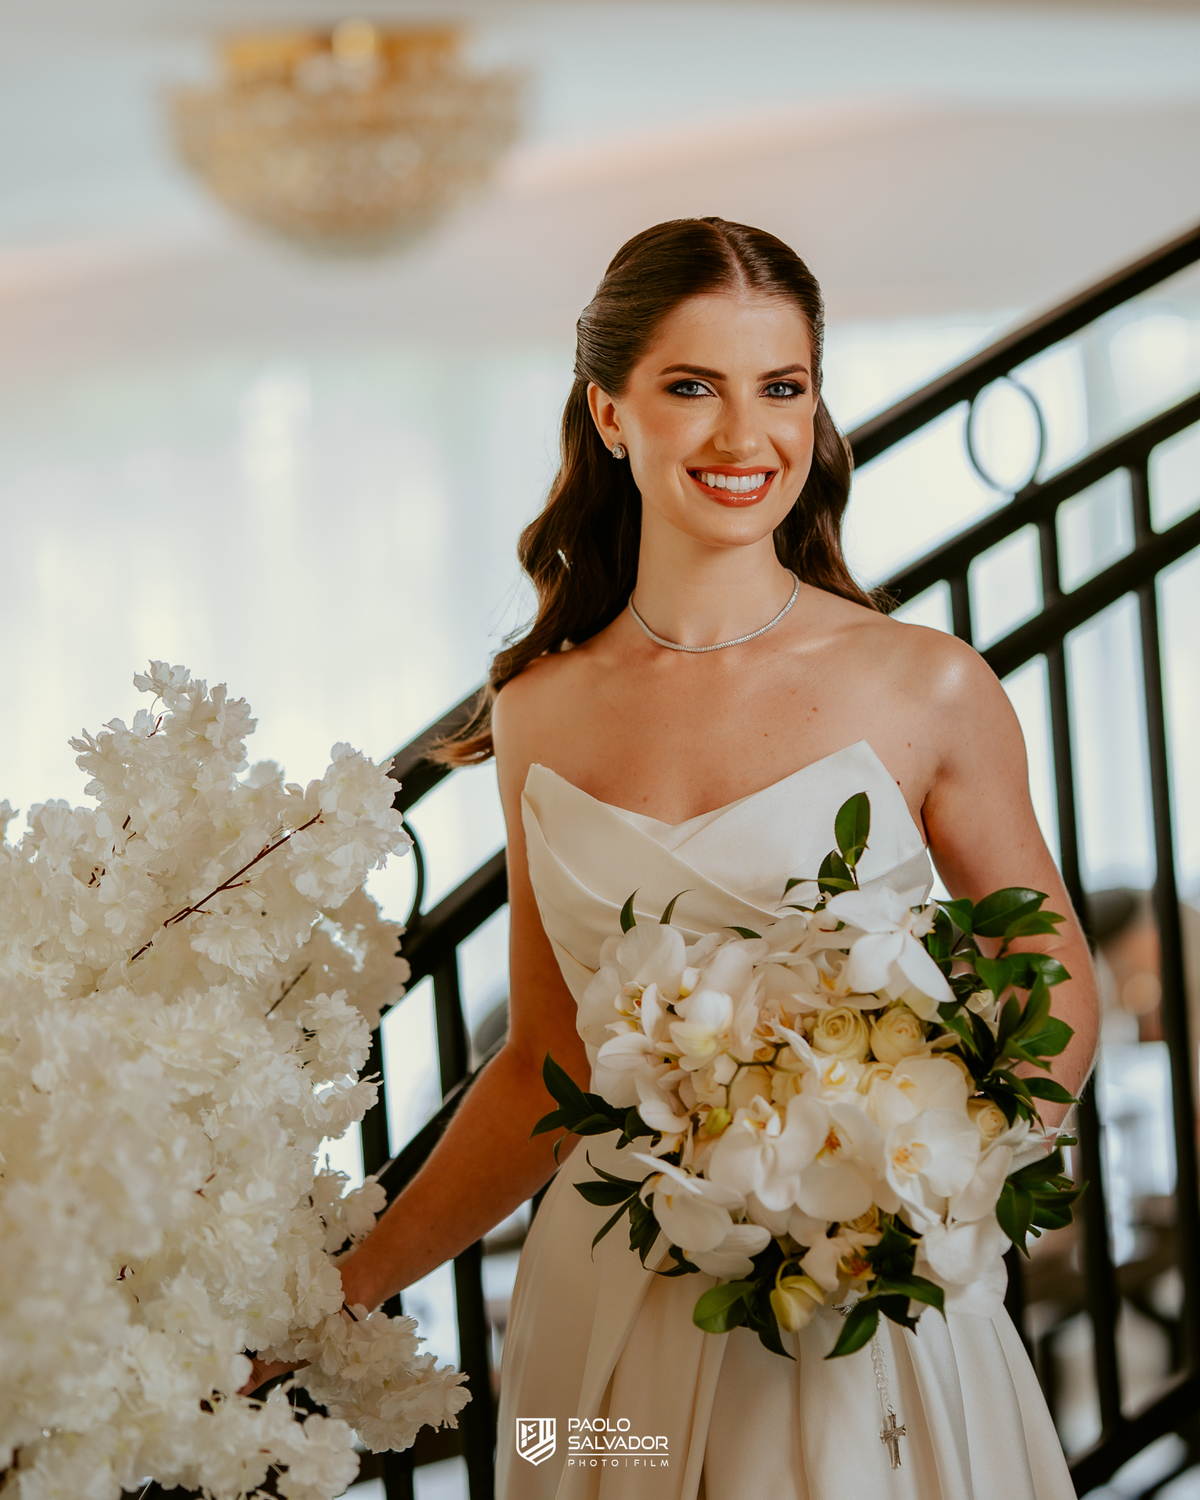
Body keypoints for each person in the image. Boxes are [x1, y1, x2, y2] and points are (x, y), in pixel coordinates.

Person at [281, 218, 1100, 1496]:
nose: (743, 436)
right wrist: (340, 1290)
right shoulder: (538, 709)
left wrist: (925, 1206)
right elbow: (547, 1062)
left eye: (782, 388)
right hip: (609, 1310)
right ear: (610, 414)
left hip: (861, 1303)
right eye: (691, 388)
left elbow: (1053, 984)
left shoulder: (926, 686)